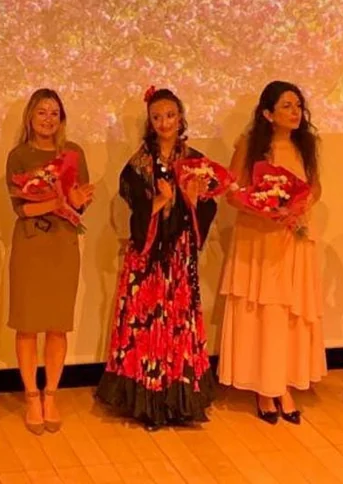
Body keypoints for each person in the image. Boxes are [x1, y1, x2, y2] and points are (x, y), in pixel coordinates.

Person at [95, 86, 218, 430]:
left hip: (179, 256)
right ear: (150, 122)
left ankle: (178, 401)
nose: (164, 122)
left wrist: (193, 198)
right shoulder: (138, 165)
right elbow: (136, 213)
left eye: (170, 115)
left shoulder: (195, 162)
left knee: (177, 323)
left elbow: (207, 208)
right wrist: (161, 201)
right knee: (146, 325)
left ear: (180, 118)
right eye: (157, 117)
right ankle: (148, 404)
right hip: (147, 259)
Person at [217, 81, 326, 424]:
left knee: (289, 312)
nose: (295, 113)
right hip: (259, 237)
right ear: (267, 113)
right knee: (264, 311)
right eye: (286, 106)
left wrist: (301, 205)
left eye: (298, 106)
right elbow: (231, 191)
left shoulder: (305, 144)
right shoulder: (250, 144)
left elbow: (315, 186)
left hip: (293, 236)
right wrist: (260, 207)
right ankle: (265, 388)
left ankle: (284, 384)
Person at [5, 88, 94, 434]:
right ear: (30, 116)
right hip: (30, 243)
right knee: (27, 324)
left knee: (57, 324)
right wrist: (54, 202)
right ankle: (31, 396)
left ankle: (51, 395)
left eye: (54, 113)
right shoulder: (18, 156)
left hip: (62, 243)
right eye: (42, 112)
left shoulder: (73, 153)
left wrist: (75, 201)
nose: (48, 119)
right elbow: (21, 209)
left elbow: (79, 203)